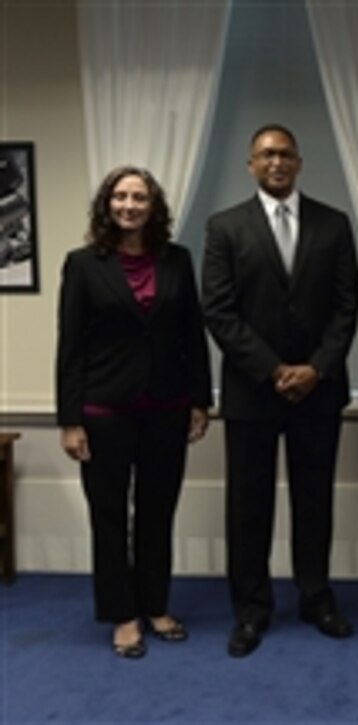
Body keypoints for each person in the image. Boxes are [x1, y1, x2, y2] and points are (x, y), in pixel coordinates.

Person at [202, 124, 358, 657]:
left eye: (286, 154)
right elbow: (218, 311)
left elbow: (346, 308)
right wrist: (273, 369)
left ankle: (316, 597)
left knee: (314, 502)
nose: (277, 162)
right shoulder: (225, 228)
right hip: (253, 392)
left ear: (299, 162)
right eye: (266, 155)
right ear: (251, 164)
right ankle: (251, 609)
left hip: (319, 391)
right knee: (249, 506)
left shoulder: (333, 225)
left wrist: (314, 368)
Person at [56, 166, 211, 657]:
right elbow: (71, 346)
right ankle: (122, 615)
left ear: (153, 206)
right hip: (104, 411)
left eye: (139, 197)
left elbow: (193, 335)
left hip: (167, 408)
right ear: (107, 205)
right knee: (109, 517)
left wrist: (199, 400)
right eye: (120, 197)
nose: (129, 205)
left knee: (156, 514)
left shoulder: (177, 261)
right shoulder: (82, 265)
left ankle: (156, 605)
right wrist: (69, 418)